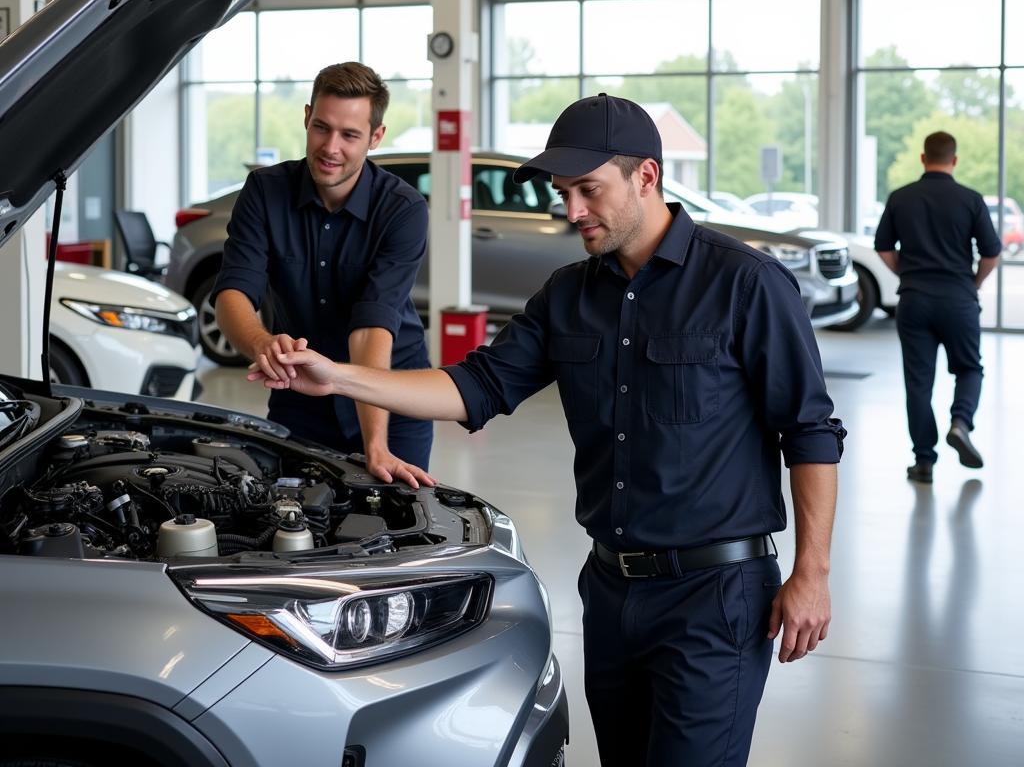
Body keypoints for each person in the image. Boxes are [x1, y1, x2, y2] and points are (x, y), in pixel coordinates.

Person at [248, 94, 845, 767]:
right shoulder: (567, 295)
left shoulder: (745, 283)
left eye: (588, 191)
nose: (573, 212)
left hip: (714, 597)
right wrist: (341, 377)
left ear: (646, 176)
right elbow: (472, 386)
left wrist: (812, 573)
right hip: (612, 591)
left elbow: (810, 430)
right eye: (565, 193)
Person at [214, 61, 435, 489]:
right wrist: (263, 343)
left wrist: (376, 443)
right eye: (321, 127)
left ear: (375, 137)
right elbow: (233, 293)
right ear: (306, 117)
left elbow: (372, 325)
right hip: (302, 395)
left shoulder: (403, 209)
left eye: (350, 135)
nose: (331, 147)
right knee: (297, 524)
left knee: (391, 530)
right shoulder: (264, 191)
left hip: (390, 398)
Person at [874, 130, 1001, 485]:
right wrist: (972, 283)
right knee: (969, 369)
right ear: (955, 160)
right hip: (958, 298)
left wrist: (907, 273)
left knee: (918, 383)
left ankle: (924, 462)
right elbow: (991, 253)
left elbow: (883, 247)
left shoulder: (901, 197)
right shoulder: (970, 199)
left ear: (922, 157)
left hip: (914, 300)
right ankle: (960, 423)